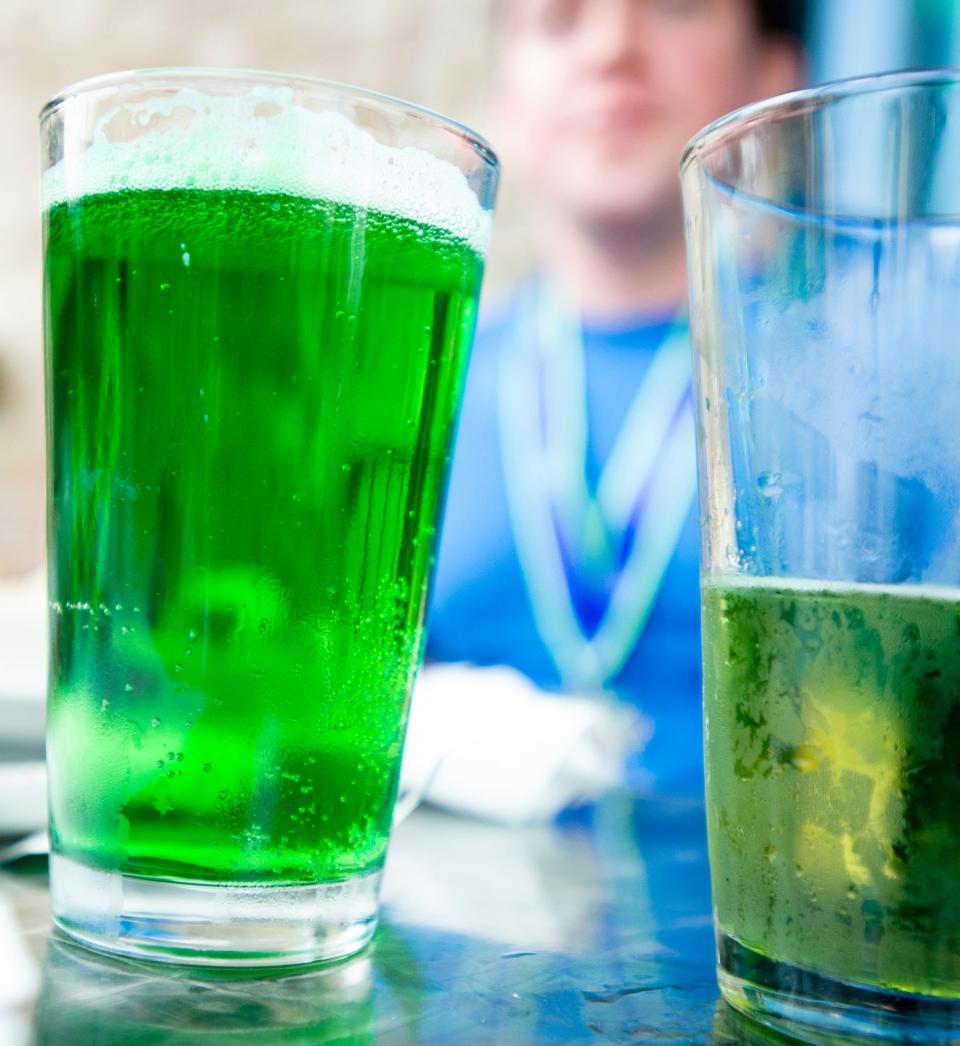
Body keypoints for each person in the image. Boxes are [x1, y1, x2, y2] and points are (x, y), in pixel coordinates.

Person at [425, 0, 806, 795]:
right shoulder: (418, 396)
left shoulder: (864, 406)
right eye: (559, 19)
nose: (611, 48)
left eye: (676, 7)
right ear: (504, 99)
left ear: (776, 75)